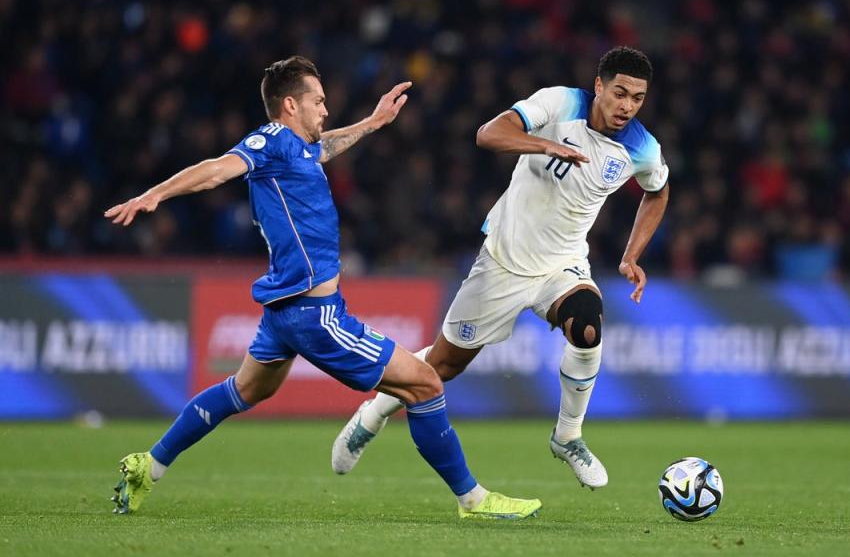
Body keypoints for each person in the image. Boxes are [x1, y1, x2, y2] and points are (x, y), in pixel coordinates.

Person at [104, 56, 541, 520]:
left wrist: (373, 123)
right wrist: (156, 194)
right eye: (318, 101)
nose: (325, 110)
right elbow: (217, 168)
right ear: (290, 105)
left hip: (284, 312)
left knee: (246, 390)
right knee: (426, 384)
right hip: (316, 315)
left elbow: (324, 146)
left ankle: (147, 466)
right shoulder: (269, 140)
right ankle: (473, 500)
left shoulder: (296, 148)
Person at [332, 47, 669, 489]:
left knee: (588, 327)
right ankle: (374, 412)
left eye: (638, 98)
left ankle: (568, 436)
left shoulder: (642, 147)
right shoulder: (560, 103)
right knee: (441, 367)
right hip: (503, 262)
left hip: (562, 265)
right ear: (600, 86)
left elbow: (657, 191)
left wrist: (631, 255)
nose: (627, 106)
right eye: (620, 93)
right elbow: (488, 134)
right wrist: (543, 144)